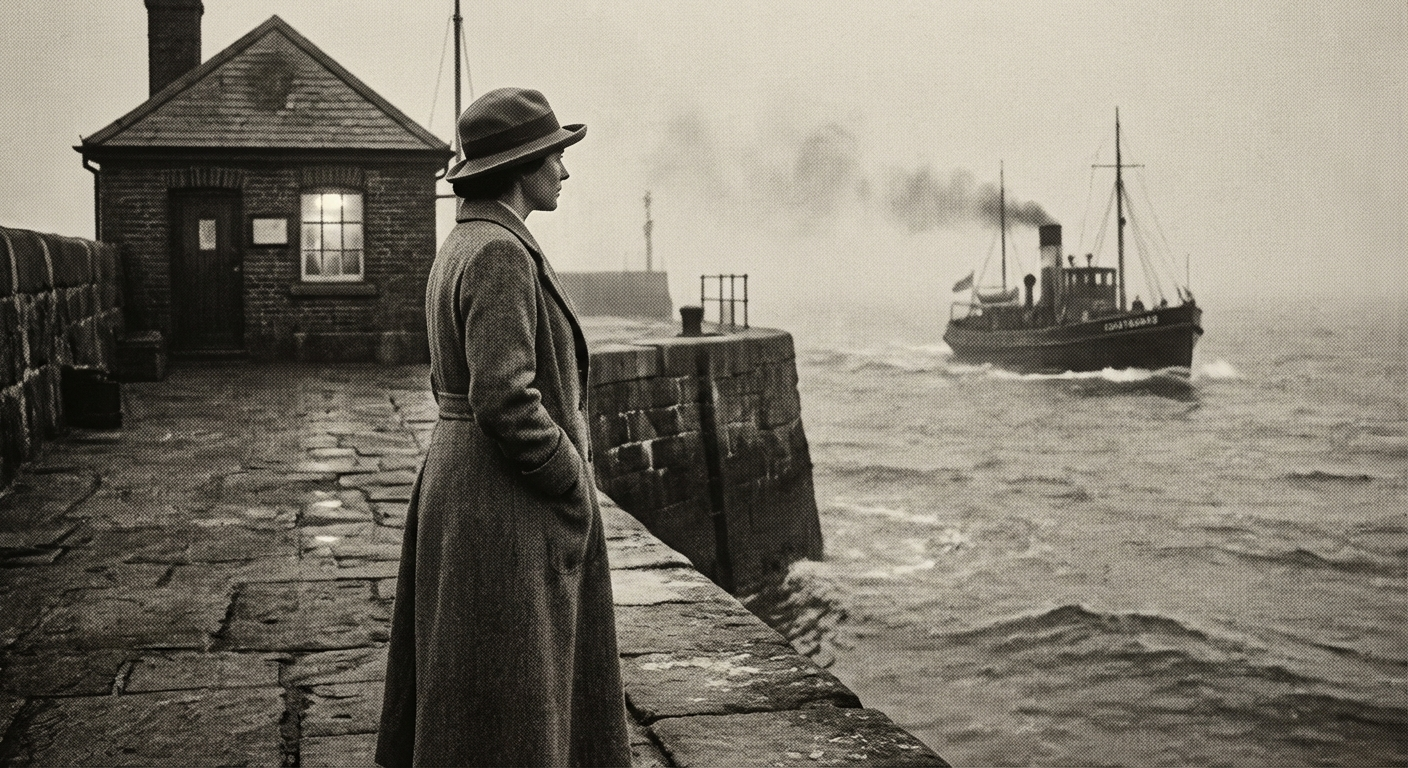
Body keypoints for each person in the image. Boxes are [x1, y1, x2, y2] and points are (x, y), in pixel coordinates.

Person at [375, 87, 631, 768]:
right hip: (501, 497)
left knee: (473, 672)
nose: (564, 172)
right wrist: (569, 480)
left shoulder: (467, 240)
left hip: (463, 480)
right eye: (556, 157)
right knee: (514, 677)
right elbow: (504, 397)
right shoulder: (500, 253)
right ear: (522, 166)